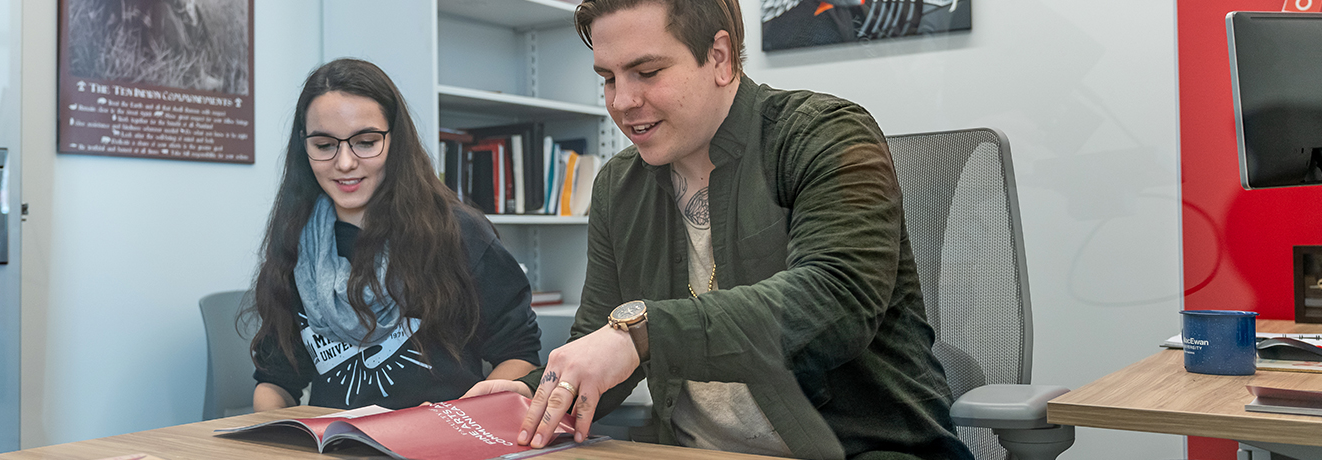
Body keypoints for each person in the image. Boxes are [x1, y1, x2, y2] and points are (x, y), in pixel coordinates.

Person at [464, 1, 972, 459]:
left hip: (861, 449)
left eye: (646, 71)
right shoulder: (619, 185)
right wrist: (534, 393)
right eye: (608, 77)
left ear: (721, 57)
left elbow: (835, 302)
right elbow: (601, 344)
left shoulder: (825, 133)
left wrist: (642, 336)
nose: (621, 101)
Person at [242, 58, 542, 411]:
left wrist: (469, 419)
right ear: (303, 146)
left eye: (365, 142)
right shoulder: (294, 243)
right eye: (324, 146)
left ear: (395, 141)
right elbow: (276, 382)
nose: (344, 163)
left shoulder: (461, 235)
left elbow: (519, 355)